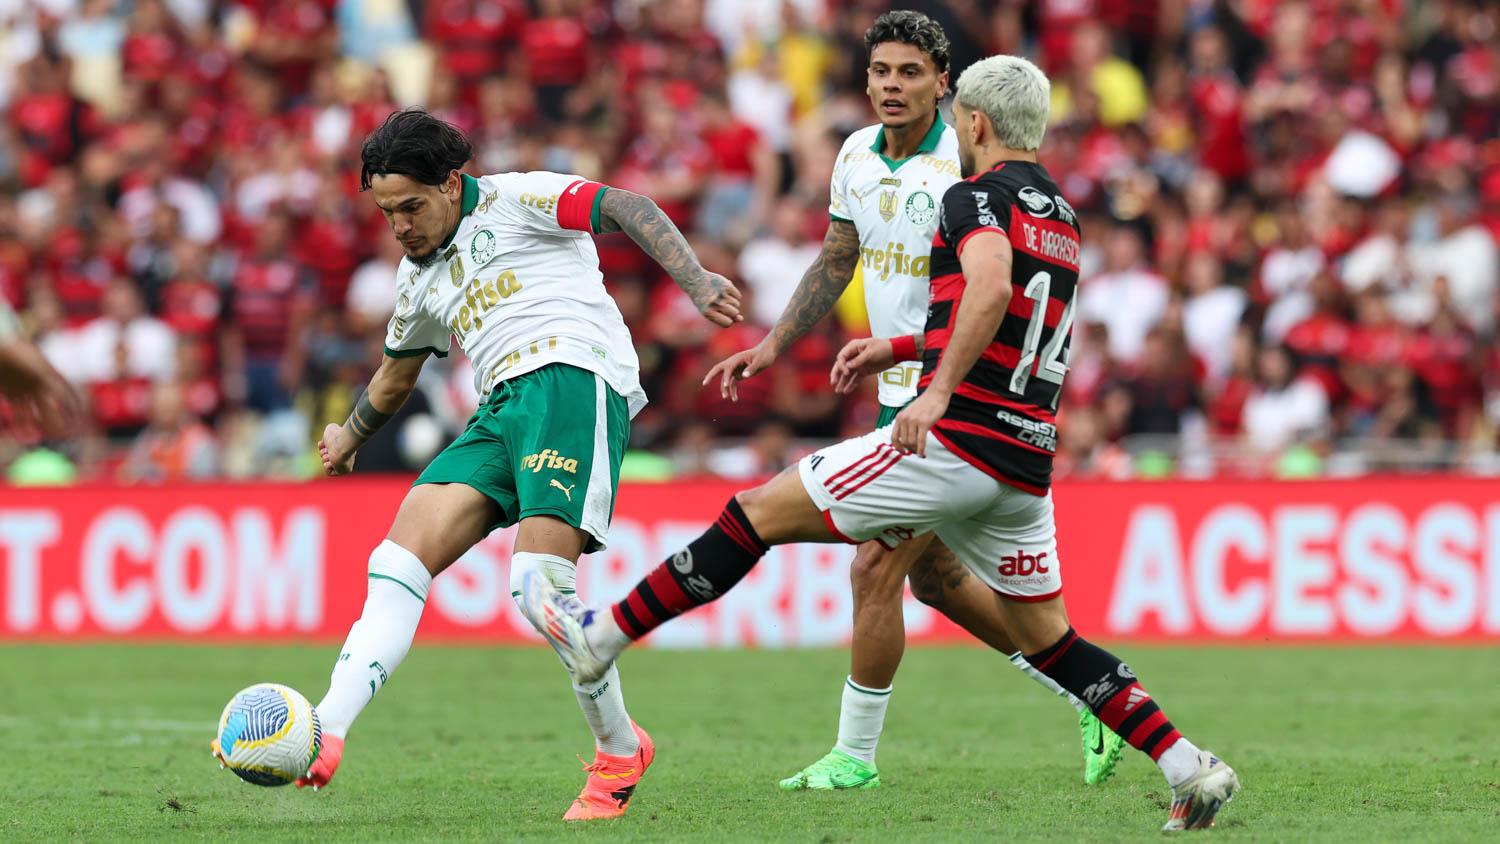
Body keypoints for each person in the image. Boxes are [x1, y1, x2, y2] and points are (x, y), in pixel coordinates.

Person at [522, 56, 1240, 832]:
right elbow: (1007, 310)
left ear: (976, 123)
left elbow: (993, 287)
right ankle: (1188, 766)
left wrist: (931, 392)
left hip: (955, 442)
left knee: (755, 512)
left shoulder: (972, 197)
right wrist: (899, 349)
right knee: (1050, 641)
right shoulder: (1060, 213)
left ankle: (604, 636)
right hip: (1024, 459)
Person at [212, 109, 742, 821]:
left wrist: (694, 276)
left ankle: (619, 748)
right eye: (386, 212)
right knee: (396, 562)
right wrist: (349, 436)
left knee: (536, 589)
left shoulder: (519, 199)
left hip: (572, 378)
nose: (400, 225)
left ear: (452, 183)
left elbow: (626, 204)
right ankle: (327, 727)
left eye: (412, 206)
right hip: (498, 411)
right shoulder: (418, 279)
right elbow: (394, 379)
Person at [703, 10, 1121, 792]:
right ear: (865, 80)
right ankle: (1092, 693)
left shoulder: (965, 172)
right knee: (929, 580)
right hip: (901, 392)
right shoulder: (855, 154)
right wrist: (773, 345)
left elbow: (992, 282)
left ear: (943, 84)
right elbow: (836, 260)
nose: (892, 87)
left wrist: (931, 378)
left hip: (949, 398)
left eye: (910, 74)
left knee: (874, 567)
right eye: (881, 73)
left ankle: (855, 757)